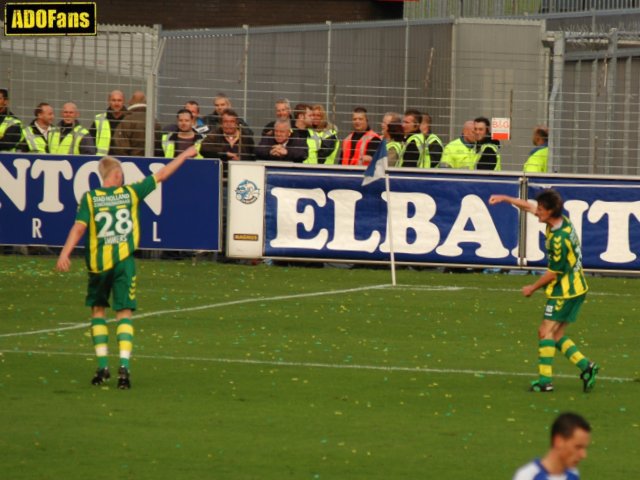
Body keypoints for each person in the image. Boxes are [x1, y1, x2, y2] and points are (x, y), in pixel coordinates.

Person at [55, 145, 199, 389]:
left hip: (98, 264)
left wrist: (64, 253)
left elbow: (79, 228)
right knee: (124, 313)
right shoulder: (130, 193)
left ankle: (102, 367)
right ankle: (124, 367)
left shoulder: (90, 199)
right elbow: (162, 175)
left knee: (98, 311)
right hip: (124, 262)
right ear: (118, 175)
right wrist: (185, 155)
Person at [488, 189, 599, 392]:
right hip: (577, 287)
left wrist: (532, 287)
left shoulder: (559, 239)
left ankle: (545, 382)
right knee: (556, 335)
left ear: (549, 212)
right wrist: (505, 199)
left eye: (540, 209)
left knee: (544, 331)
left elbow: (554, 273)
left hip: (564, 291)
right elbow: (528, 206)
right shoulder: (559, 220)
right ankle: (587, 367)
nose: (536, 212)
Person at [513, 412, 591, 480]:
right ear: (559, 441)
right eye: (577, 447)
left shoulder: (573, 474)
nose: (583, 455)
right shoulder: (528, 476)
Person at [113, 91, 162, 157]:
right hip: (150, 160)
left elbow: (120, 147)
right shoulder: (153, 121)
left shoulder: (127, 120)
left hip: (131, 162)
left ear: (131, 101)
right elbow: (158, 145)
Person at [90, 90, 127, 156]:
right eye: (113, 100)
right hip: (103, 160)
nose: (116, 103)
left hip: (125, 161)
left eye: (119, 100)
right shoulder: (99, 120)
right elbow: (91, 142)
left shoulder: (129, 120)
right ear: (109, 101)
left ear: (124, 102)